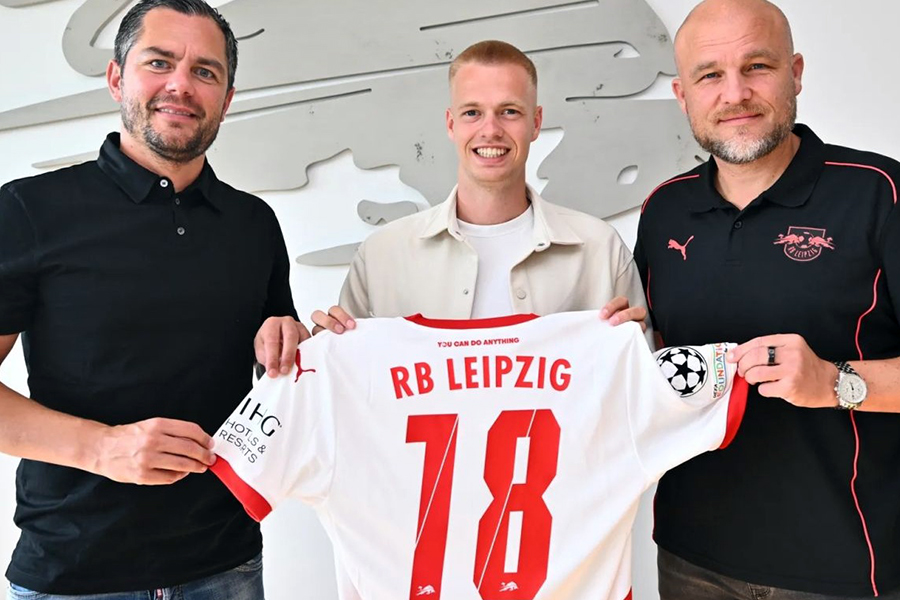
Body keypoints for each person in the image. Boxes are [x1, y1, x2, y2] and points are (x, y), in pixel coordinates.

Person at [0, 0, 306, 597]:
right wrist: (103, 448)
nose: (181, 85)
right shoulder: (28, 210)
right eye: (159, 62)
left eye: (204, 71)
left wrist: (296, 348)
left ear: (227, 98)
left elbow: (277, 380)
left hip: (228, 568)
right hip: (74, 576)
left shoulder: (253, 223)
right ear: (117, 78)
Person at [635, 0, 900, 598]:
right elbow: (652, 360)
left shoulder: (880, 194)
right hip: (689, 557)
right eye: (710, 74)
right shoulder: (663, 210)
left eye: (757, 66)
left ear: (796, 73)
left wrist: (836, 381)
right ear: (682, 95)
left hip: (845, 569)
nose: (735, 94)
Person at [251, 40, 646, 370]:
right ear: (451, 123)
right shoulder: (382, 255)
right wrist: (320, 353)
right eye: (472, 113)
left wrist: (629, 354)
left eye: (509, 112)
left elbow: (640, 393)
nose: (490, 130)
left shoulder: (601, 250)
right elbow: (347, 388)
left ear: (536, 122)